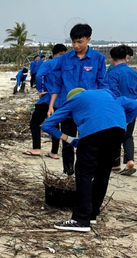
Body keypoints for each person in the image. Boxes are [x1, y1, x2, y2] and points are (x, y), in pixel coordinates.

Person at [42, 88, 137, 232]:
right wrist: (125, 122)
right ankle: (93, 213)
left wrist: (70, 139)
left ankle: (81, 219)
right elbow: (135, 104)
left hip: (92, 131)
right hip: (118, 131)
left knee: (84, 173)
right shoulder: (107, 94)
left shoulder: (72, 101)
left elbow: (47, 125)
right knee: (103, 172)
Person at [49, 23, 108, 175]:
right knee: (67, 141)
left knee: (88, 142)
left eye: (79, 42)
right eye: (73, 42)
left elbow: (103, 85)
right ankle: (68, 173)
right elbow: (58, 83)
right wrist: (51, 106)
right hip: (67, 108)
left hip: (89, 110)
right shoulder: (64, 59)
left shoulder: (98, 59)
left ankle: (84, 175)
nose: (76, 45)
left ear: (88, 39)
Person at [23, 44, 67, 158]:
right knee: (55, 125)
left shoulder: (48, 63)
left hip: (48, 98)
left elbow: (39, 76)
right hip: (62, 100)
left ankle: (36, 148)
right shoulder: (67, 65)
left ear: (53, 53)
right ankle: (54, 152)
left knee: (35, 123)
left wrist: (41, 90)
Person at [107, 45, 137, 176]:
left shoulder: (113, 74)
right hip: (132, 108)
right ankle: (130, 160)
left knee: (114, 136)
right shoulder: (133, 73)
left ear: (112, 59)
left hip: (118, 109)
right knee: (128, 136)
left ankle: (115, 164)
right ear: (126, 57)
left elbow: (113, 93)